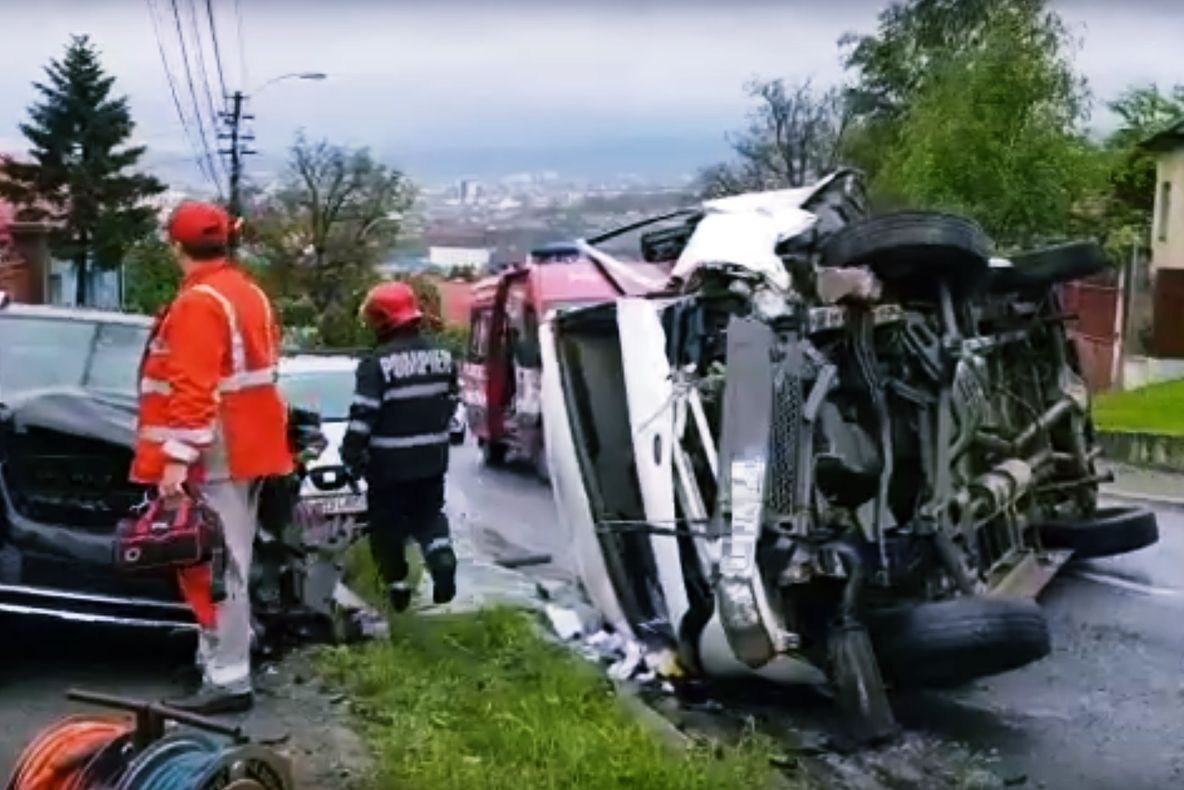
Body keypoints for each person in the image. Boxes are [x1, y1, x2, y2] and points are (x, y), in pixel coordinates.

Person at [131, 200, 291, 714]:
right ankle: (219, 664)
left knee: (215, 566)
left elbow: (194, 389)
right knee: (225, 558)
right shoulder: (247, 293)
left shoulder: (199, 303)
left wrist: (177, 459)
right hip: (249, 446)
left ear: (175, 246)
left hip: (216, 451)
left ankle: (227, 678)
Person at [342, 282, 459, 612]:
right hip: (432, 458)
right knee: (429, 514)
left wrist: (350, 456)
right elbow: (451, 403)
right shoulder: (443, 357)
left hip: (388, 465)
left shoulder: (376, 364)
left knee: (387, 526)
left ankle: (398, 587)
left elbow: (363, 418)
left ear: (381, 319)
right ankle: (441, 555)